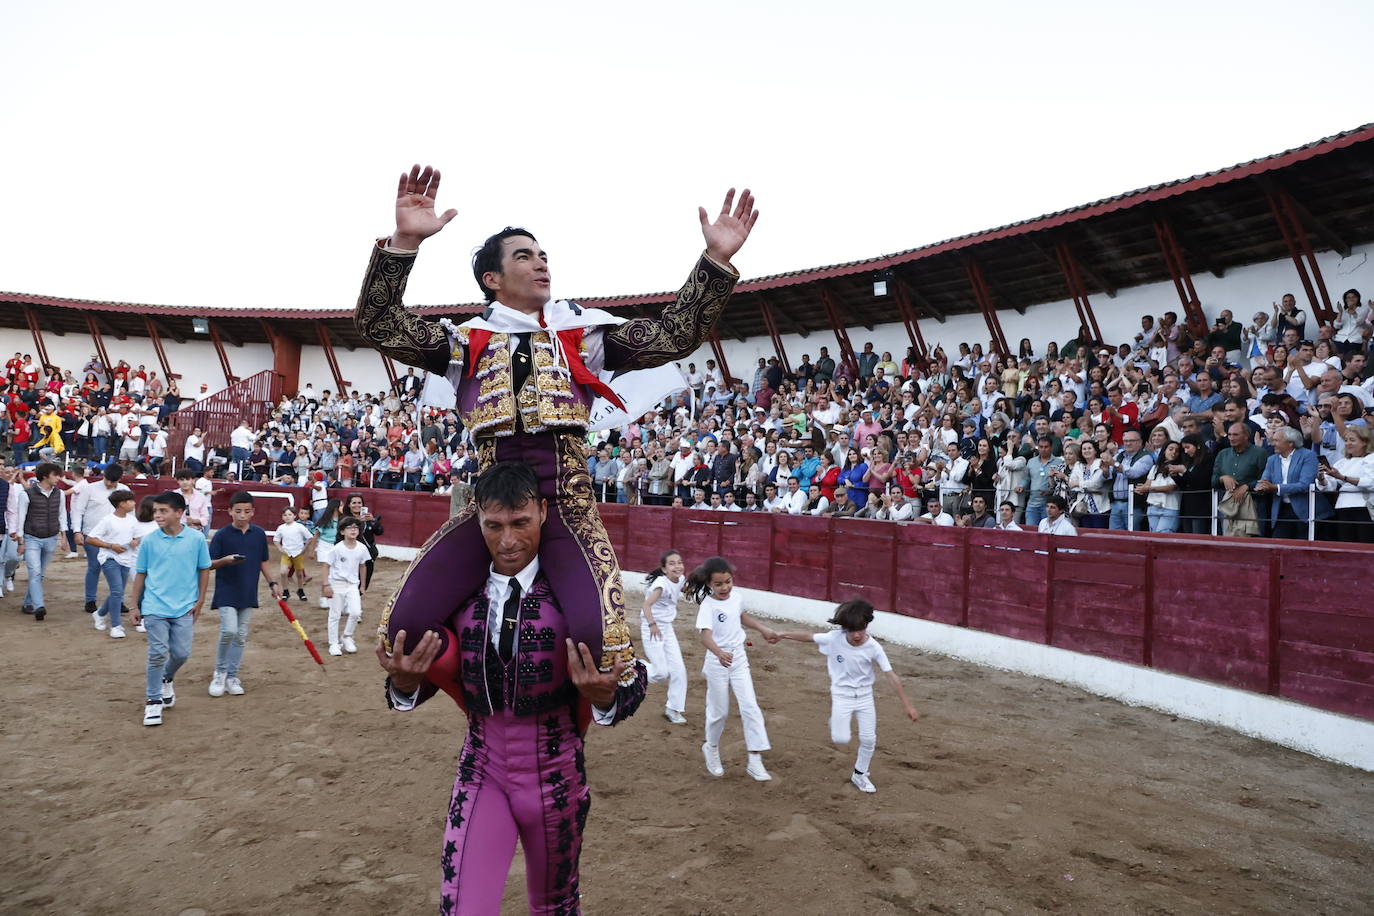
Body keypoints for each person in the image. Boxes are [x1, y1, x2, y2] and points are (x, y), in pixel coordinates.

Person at [357, 166, 757, 696]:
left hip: (567, 506)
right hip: (491, 509)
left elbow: (675, 335)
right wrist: (405, 241)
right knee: (399, 632)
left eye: (543, 254)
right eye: (523, 255)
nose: (541, 261)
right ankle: (446, 692)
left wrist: (715, 261)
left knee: (607, 643)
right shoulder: (463, 343)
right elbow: (379, 324)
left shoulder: (582, 337)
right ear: (491, 280)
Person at [376, 461, 645, 914]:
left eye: (520, 523)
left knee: (555, 907)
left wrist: (606, 697)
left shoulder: (576, 592)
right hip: (481, 773)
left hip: (557, 777)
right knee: (462, 908)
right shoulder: (458, 592)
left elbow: (632, 679)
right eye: (494, 525)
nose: (508, 541)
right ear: (477, 516)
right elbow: (435, 672)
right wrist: (404, 683)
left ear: (542, 511)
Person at [768, 599, 919, 793]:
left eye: (861, 629)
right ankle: (835, 722)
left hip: (865, 697)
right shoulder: (834, 638)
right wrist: (782, 634)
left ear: (867, 625)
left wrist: (908, 705)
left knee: (869, 739)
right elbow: (809, 637)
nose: (857, 635)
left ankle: (860, 774)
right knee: (840, 738)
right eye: (851, 629)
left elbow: (891, 675)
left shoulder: (874, 647)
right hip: (842, 695)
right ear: (844, 628)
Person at [688, 555, 778, 781]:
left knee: (750, 706)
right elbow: (705, 637)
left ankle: (755, 759)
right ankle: (711, 747)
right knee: (719, 712)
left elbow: (741, 617)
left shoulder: (736, 598)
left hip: (738, 658)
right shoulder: (707, 605)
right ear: (709, 584)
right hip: (717, 662)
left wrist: (762, 628)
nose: (724, 587)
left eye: (727, 581)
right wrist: (719, 653)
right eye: (718, 584)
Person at [127, 491, 211, 727]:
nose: (157, 515)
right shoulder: (149, 541)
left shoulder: (196, 539)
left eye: (163, 511)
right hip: (154, 606)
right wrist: (135, 605)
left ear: (179, 513)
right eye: (155, 511)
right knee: (157, 653)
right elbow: (141, 574)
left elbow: (204, 569)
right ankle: (153, 700)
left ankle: (167, 677)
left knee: (182, 653)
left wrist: (201, 600)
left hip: (185, 606)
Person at [207, 492, 280, 697]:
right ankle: (220, 672)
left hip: (248, 590)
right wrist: (226, 561)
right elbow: (209, 564)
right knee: (229, 631)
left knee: (240, 635)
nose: (242, 515)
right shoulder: (221, 535)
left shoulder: (258, 534)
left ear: (253, 512)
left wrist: (272, 583)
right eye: (237, 511)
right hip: (226, 590)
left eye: (246, 511)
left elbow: (263, 561)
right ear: (230, 511)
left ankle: (232, 675)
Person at [8, 462, 68, 621]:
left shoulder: (59, 494)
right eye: (55, 475)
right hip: (31, 538)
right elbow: (21, 519)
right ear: (45, 475)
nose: (58, 478)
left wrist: (64, 537)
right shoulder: (26, 494)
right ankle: (39, 606)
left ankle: (29, 602)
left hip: (51, 537)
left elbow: (62, 515)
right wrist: (21, 542)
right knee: (35, 572)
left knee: (39, 574)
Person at [82, 488, 139, 638]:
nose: (134, 503)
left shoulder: (132, 520)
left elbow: (138, 536)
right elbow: (90, 539)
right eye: (130, 501)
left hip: (126, 559)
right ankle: (116, 625)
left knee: (117, 592)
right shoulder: (107, 520)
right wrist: (111, 546)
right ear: (121, 504)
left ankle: (100, 614)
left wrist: (135, 541)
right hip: (109, 558)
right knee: (117, 591)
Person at [641, 549, 689, 725]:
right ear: (664, 569)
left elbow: (682, 587)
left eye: (679, 562)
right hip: (651, 627)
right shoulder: (660, 584)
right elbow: (646, 605)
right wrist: (653, 625)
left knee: (679, 670)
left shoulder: (681, 579)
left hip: (666, 628)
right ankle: (635, 667)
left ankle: (673, 709)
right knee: (661, 673)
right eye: (672, 563)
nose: (677, 566)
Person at [72, 463, 125, 616]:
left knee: (119, 569)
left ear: (119, 479)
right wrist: (77, 531)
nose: (109, 484)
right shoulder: (89, 488)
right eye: (108, 480)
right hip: (93, 535)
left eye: (113, 481)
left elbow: (131, 514)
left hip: (117, 536)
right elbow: (78, 510)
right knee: (94, 566)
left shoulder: (124, 490)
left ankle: (118, 600)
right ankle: (90, 600)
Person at [1256, 427, 1327, 540]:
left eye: (1276, 440)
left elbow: (1304, 484)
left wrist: (1275, 487)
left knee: (1304, 549)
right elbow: (1264, 479)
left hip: (1306, 510)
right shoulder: (1272, 459)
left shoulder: (1308, 456)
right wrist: (1260, 487)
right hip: (1281, 509)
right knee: (1279, 546)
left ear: (1290, 443)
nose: (1272, 444)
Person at [321, 516, 369, 656]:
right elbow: (326, 566)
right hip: (337, 583)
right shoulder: (337, 549)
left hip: (353, 584)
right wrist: (326, 585)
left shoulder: (362, 548)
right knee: (335, 614)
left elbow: (363, 566)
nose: (353, 530)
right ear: (342, 532)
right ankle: (333, 643)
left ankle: (347, 636)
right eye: (349, 528)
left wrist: (363, 587)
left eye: (355, 527)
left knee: (355, 612)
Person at [274, 506, 313, 601]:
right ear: (282, 517)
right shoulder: (281, 528)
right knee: (283, 572)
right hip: (286, 553)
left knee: (299, 574)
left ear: (294, 516)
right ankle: (285, 591)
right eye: (285, 515)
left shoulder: (299, 527)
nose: (287, 517)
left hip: (298, 553)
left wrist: (304, 549)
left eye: (289, 515)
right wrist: (280, 548)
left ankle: (300, 590)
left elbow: (310, 537)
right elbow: (276, 540)